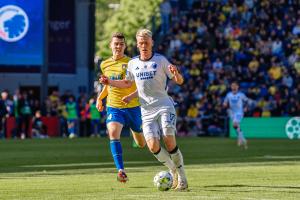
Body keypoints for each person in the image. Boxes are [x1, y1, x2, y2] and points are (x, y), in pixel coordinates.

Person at [99, 29, 188, 191]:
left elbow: (179, 81)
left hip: (164, 106)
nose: (143, 45)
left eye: (146, 42)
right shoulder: (133, 63)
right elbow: (127, 83)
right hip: (146, 111)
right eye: (141, 43)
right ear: (137, 45)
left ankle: (182, 177)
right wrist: (110, 83)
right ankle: (172, 169)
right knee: (153, 146)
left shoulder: (161, 60)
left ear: (152, 43)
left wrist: (176, 75)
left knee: (168, 140)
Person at [96, 32, 146, 183]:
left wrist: (109, 82)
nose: (118, 46)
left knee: (141, 144)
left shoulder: (131, 63)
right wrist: (100, 98)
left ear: (125, 46)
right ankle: (120, 170)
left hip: (132, 106)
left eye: (121, 44)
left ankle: (136, 130)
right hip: (114, 106)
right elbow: (107, 86)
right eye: (116, 44)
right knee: (112, 132)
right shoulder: (104, 64)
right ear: (111, 45)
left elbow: (127, 83)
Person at [223, 81, 251, 149]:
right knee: (236, 127)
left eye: (235, 85)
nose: (234, 87)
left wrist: (246, 107)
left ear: (237, 87)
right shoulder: (228, 94)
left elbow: (247, 101)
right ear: (231, 87)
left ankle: (242, 139)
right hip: (232, 112)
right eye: (232, 86)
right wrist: (225, 104)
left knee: (235, 124)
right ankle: (241, 138)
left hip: (239, 112)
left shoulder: (241, 95)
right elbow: (225, 102)